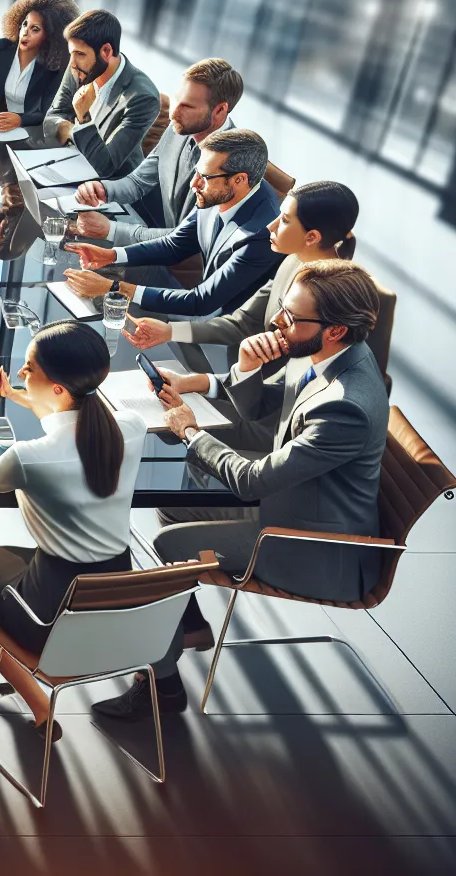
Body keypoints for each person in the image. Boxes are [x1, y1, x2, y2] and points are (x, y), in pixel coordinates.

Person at [93, 260, 390, 721]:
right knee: (174, 507)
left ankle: (160, 688)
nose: (277, 322)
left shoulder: (345, 406)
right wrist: (247, 366)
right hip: (294, 505)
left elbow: (252, 480)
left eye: (291, 317)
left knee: (169, 545)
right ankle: (188, 624)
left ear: (334, 330)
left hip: (316, 548)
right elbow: (265, 407)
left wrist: (191, 432)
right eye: (284, 309)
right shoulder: (329, 354)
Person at [0, 323, 145, 738]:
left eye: (29, 369)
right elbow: (70, 426)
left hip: (49, 612)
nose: (19, 374)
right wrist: (27, 399)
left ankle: (37, 705)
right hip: (111, 604)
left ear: (58, 389)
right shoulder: (131, 427)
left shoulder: (28, 457)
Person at [127, 181, 360, 429]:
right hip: (243, 387)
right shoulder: (293, 261)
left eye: (284, 220)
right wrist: (170, 333)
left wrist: (197, 385)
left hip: (270, 419)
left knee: (153, 420)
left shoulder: (327, 304)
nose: (270, 226)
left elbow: (277, 393)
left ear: (312, 237)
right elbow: (243, 322)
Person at [62, 129, 282, 318]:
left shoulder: (258, 236)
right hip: (199, 302)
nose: (194, 184)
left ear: (239, 180)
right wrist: (111, 255)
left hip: (219, 326)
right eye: (196, 172)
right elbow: (175, 245)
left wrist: (114, 287)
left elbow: (201, 303)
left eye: (204, 177)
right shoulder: (224, 190)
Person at [69, 58, 241, 244]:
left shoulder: (232, 166)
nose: (173, 114)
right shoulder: (179, 128)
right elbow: (139, 182)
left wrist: (111, 230)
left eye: (187, 106)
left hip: (183, 257)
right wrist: (103, 190)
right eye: (177, 99)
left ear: (220, 110)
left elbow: (188, 239)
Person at [43, 9, 161, 180]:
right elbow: (50, 120)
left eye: (80, 54)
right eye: (71, 53)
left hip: (112, 185)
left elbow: (105, 167)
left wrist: (83, 118)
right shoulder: (78, 67)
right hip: (70, 167)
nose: (72, 63)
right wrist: (70, 130)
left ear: (106, 51)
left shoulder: (143, 97)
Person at [0, 0, 78, 133]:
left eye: (35, 29)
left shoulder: (54, 67)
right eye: (24, 24)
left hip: (30, 132)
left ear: (49, 36)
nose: (25, 32)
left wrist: (20, 120)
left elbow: (48, 112)